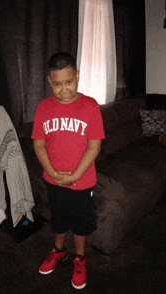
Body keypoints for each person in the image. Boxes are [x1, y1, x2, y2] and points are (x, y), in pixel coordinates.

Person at [31, 52, 105, 289]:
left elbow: (94, 146)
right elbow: (39, 144)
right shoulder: (43, 108)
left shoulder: (90, 106)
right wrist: (52, 172)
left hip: (81, 181)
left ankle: (80, 258)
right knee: (59, 218)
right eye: (57, 84)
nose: (64, 89)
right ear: (49, 81)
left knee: (81, 222)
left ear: (77, 76)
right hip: (54, 179)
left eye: (69, 82)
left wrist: (75, 176)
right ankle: (59, 250)